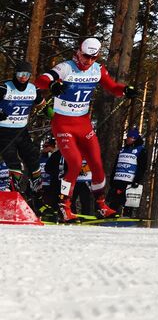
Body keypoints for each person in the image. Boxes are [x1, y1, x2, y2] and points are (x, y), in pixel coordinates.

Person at [34, 37, 135, 221]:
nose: (88, 61)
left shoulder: (97, 69)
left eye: (93, 58)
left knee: (96, 164)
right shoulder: (65, 67)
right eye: (85, 56)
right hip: (63, 123)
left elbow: (112, 87)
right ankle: (64, 207)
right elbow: (41, 80)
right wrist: (52, 84)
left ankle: (102, 206)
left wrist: (125, 90)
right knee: (74, 162)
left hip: (83, 123)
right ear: (78, 52)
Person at [0, 59, 42, 195]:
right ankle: (12, 191)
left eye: (26, 74)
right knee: (13, 162)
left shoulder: (33, 89)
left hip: (22, 132)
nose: (23, 77)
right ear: (15, 73)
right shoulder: (5, 87)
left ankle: (36, 191)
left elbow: (43, 105)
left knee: (33, 158)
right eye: (20, 74)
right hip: (4, 132)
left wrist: (53, 115)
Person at [108, 128, 147, 218]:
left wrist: (137, 180)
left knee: (128, 204)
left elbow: (142, 167)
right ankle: (110, 218)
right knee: (114, 202)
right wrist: (112, 178)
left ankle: (127, 219)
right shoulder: (122, 150)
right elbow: (116, 165)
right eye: (127, 137)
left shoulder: (141, 150)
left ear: (135, 138)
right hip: (118, 180)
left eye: (130, 137)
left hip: (130, 181)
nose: (127, 139)